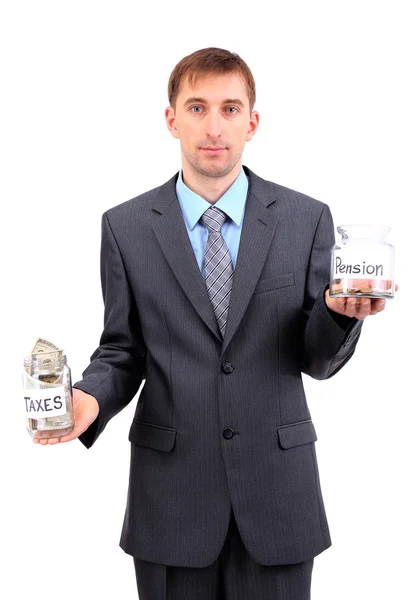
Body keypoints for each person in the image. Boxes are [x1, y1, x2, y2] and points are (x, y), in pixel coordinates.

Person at [33, 47, 395, 599]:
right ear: (171, 118)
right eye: (197, 107)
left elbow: (316, 359)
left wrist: (339, 316)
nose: (213, 126)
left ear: (252, 122)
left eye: (230, 109)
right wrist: (89, 399)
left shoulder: (306, 219)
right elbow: (122, 350)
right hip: (171, 503)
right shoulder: (125, 227)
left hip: (278, 498)